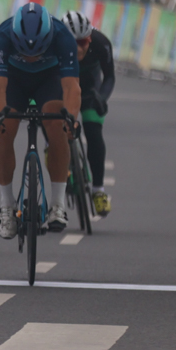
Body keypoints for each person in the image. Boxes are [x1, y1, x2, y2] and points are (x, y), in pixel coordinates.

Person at [0, 2, 81, 237]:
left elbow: (71, 87)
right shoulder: (1, 37)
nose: (31, 58)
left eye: (37, 52)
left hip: (49, 80)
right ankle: (7, 205)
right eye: (26, 53)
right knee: (3, 130)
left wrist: (71, 119)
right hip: (14, 81)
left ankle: (57, 205)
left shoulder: (63, 37)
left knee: (58, 125)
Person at [63, 11, 114, 216]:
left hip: (90, 89)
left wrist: (102, 98)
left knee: (93, 131)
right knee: (53, 126)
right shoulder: (52, 46)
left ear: (90, 38)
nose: (78, 48)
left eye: (83, 42)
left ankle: (99, 191)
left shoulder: (102, 43)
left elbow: (110, 76)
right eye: (72, 43)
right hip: (63, 88)